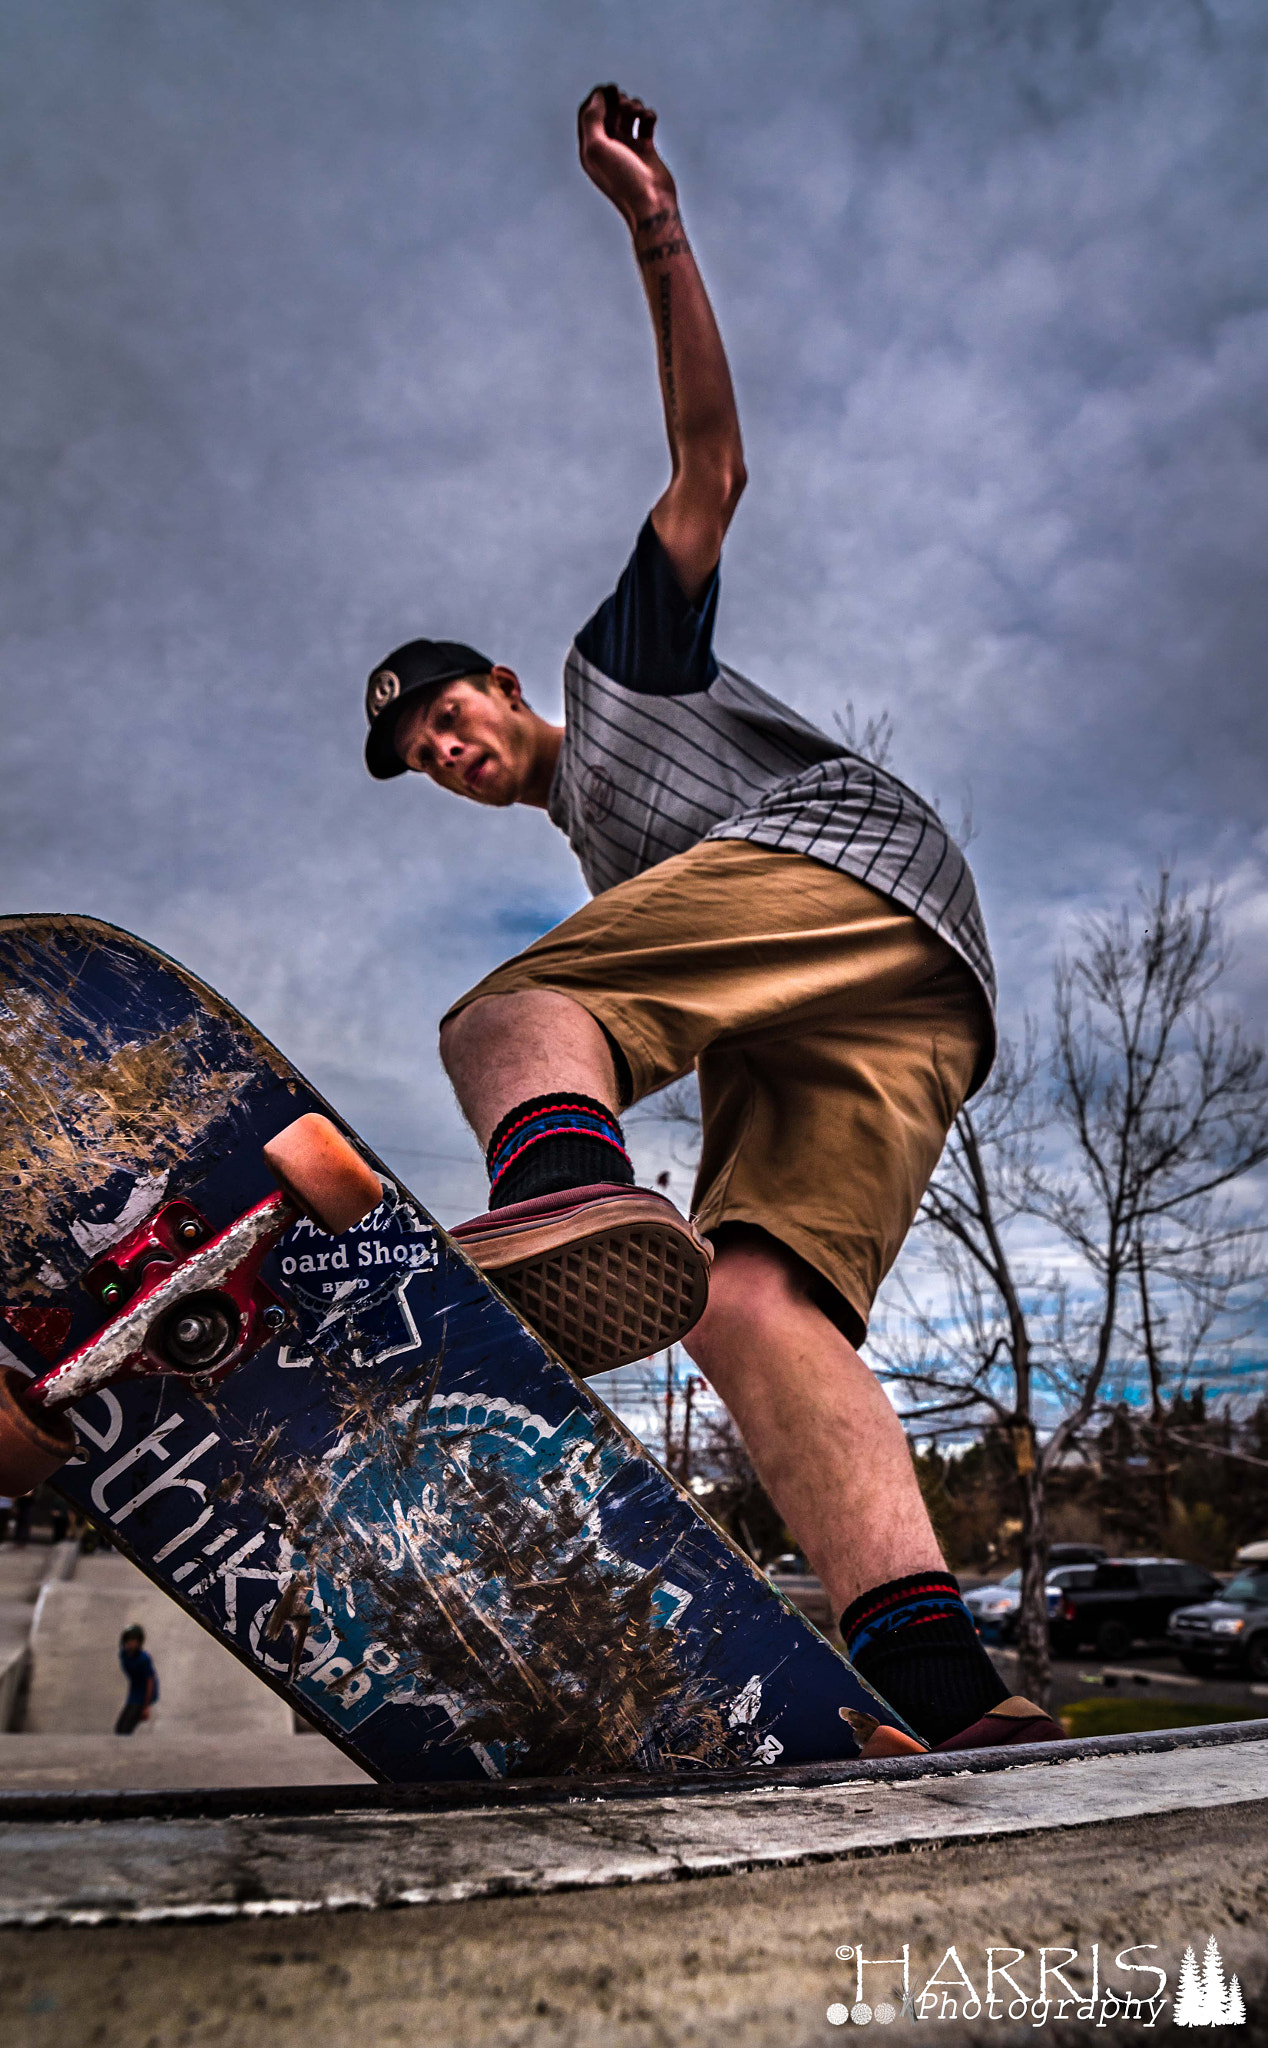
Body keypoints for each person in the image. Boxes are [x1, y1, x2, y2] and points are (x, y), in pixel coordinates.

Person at [359, 85, 1060, 1756]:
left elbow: (709, 462)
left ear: (502, 683)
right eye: (421, 760)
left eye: (448, 717)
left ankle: (558, 1199)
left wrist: (652, 226)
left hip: (843, 870)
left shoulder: (618, 668)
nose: (449, 754)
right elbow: (679, 962)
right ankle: (950, 1693)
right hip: (914, 996)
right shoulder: (624, 873)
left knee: (506, 1021)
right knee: (752, 1306)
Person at [115, 1625, 158, 1736]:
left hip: (143, 1694)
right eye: (129, 1640)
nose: (131, 1644)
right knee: (119, 1728)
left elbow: (150, 1680)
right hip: (134, 1692)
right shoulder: (124, 1655)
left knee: (125, 1729)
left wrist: (146, 1707)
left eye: (134, 1640)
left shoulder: (143, 1659)